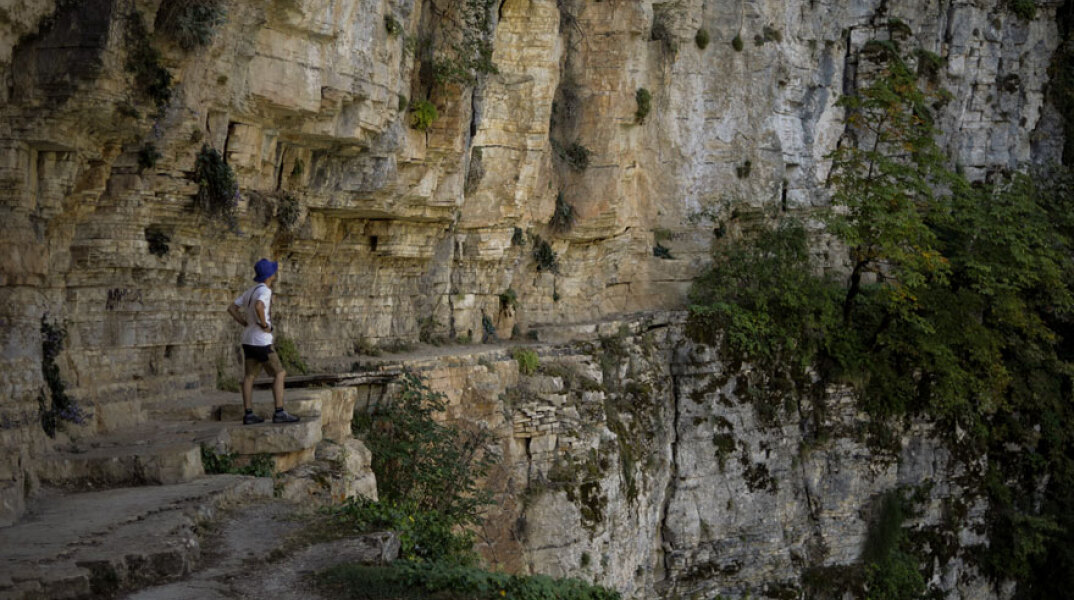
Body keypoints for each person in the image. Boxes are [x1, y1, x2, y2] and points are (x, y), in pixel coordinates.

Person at [226, 258, 300, 425]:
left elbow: (231, 308)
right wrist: (265, 325)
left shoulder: (250, 291)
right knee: (280, 373)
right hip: (261, 341)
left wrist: (244, 322)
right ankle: (279, 411)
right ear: (270, 275)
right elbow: (260, 306)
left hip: (248, 338)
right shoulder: (265, 291)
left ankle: (248, 414)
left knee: (249, 377)